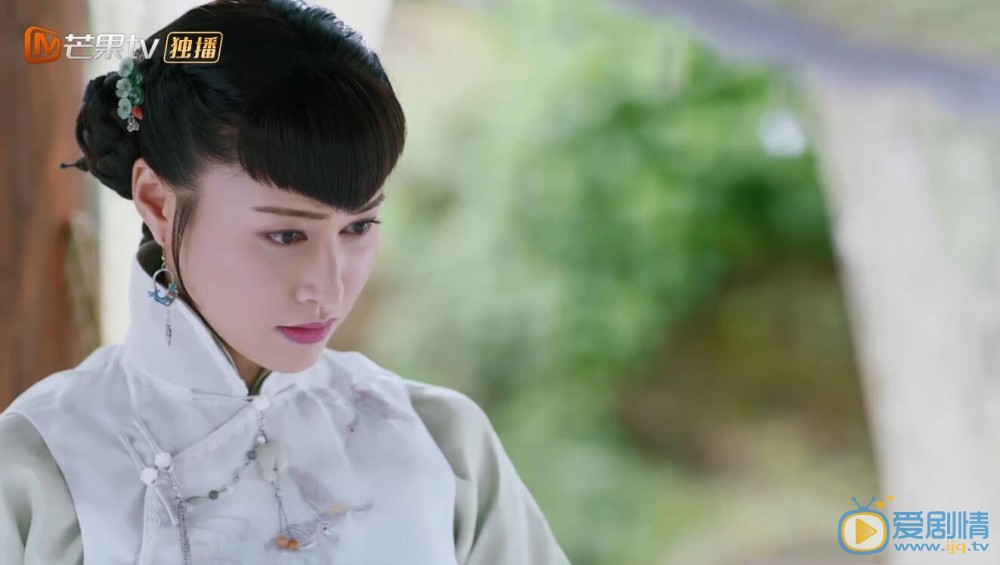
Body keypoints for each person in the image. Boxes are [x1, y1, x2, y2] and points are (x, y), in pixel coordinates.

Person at [0, 1, 570, 563]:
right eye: (286, 235)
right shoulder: (38, 466)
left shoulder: (442, 444)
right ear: (157, 201)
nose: (330, 289)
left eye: (359, 226)